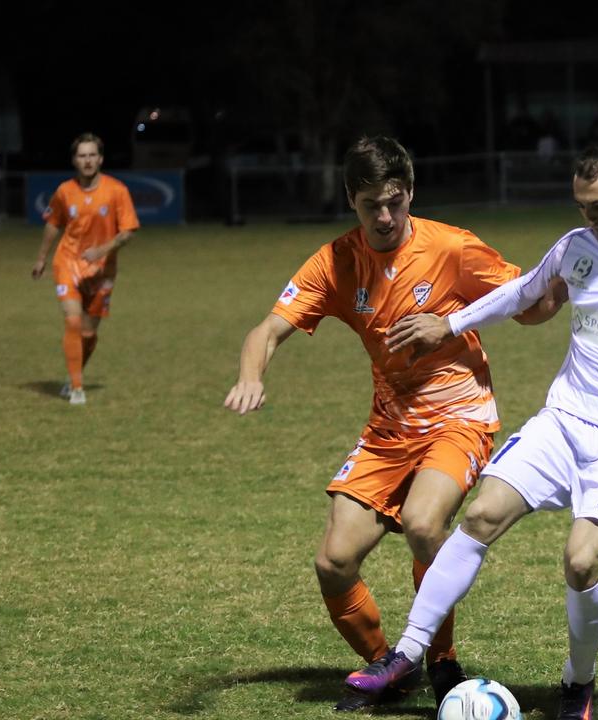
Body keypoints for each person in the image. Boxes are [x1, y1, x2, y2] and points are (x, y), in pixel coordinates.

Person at [343, 141, 598, 720]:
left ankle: (576, 684)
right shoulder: (576, 247)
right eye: (581, 205)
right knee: (482, 515)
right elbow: (523, 291)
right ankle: (407, 654)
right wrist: (451, 323)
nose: (588, 217)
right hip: (563, 421)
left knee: (582, 561)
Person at [222, 136, 565, 712]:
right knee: (333, 561)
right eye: (370, 205)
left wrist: (560, 286)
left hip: (459, 416)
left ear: (409, 193)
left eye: (395, 202)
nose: (385, 217)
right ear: (351, 200)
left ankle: (441, 662)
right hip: (389, 428)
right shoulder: (334, 263)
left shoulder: (452, 247)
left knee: (424, 524)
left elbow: (526, 303)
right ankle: (390, 666)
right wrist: (251, 375)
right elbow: (266, 330)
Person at [31, 133, 139, 404]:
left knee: (89, 333)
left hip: (102, 270)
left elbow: (128, 232)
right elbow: (53, 223)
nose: (88, 160)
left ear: (100, 159)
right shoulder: (65, 191)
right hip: (68, 262)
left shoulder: (117, 191)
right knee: (72, 320)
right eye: (82, 156)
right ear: (74, 161)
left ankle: (73, 374)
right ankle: (77, 388)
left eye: (92, 155)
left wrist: (102, 251)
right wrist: (42, 258)